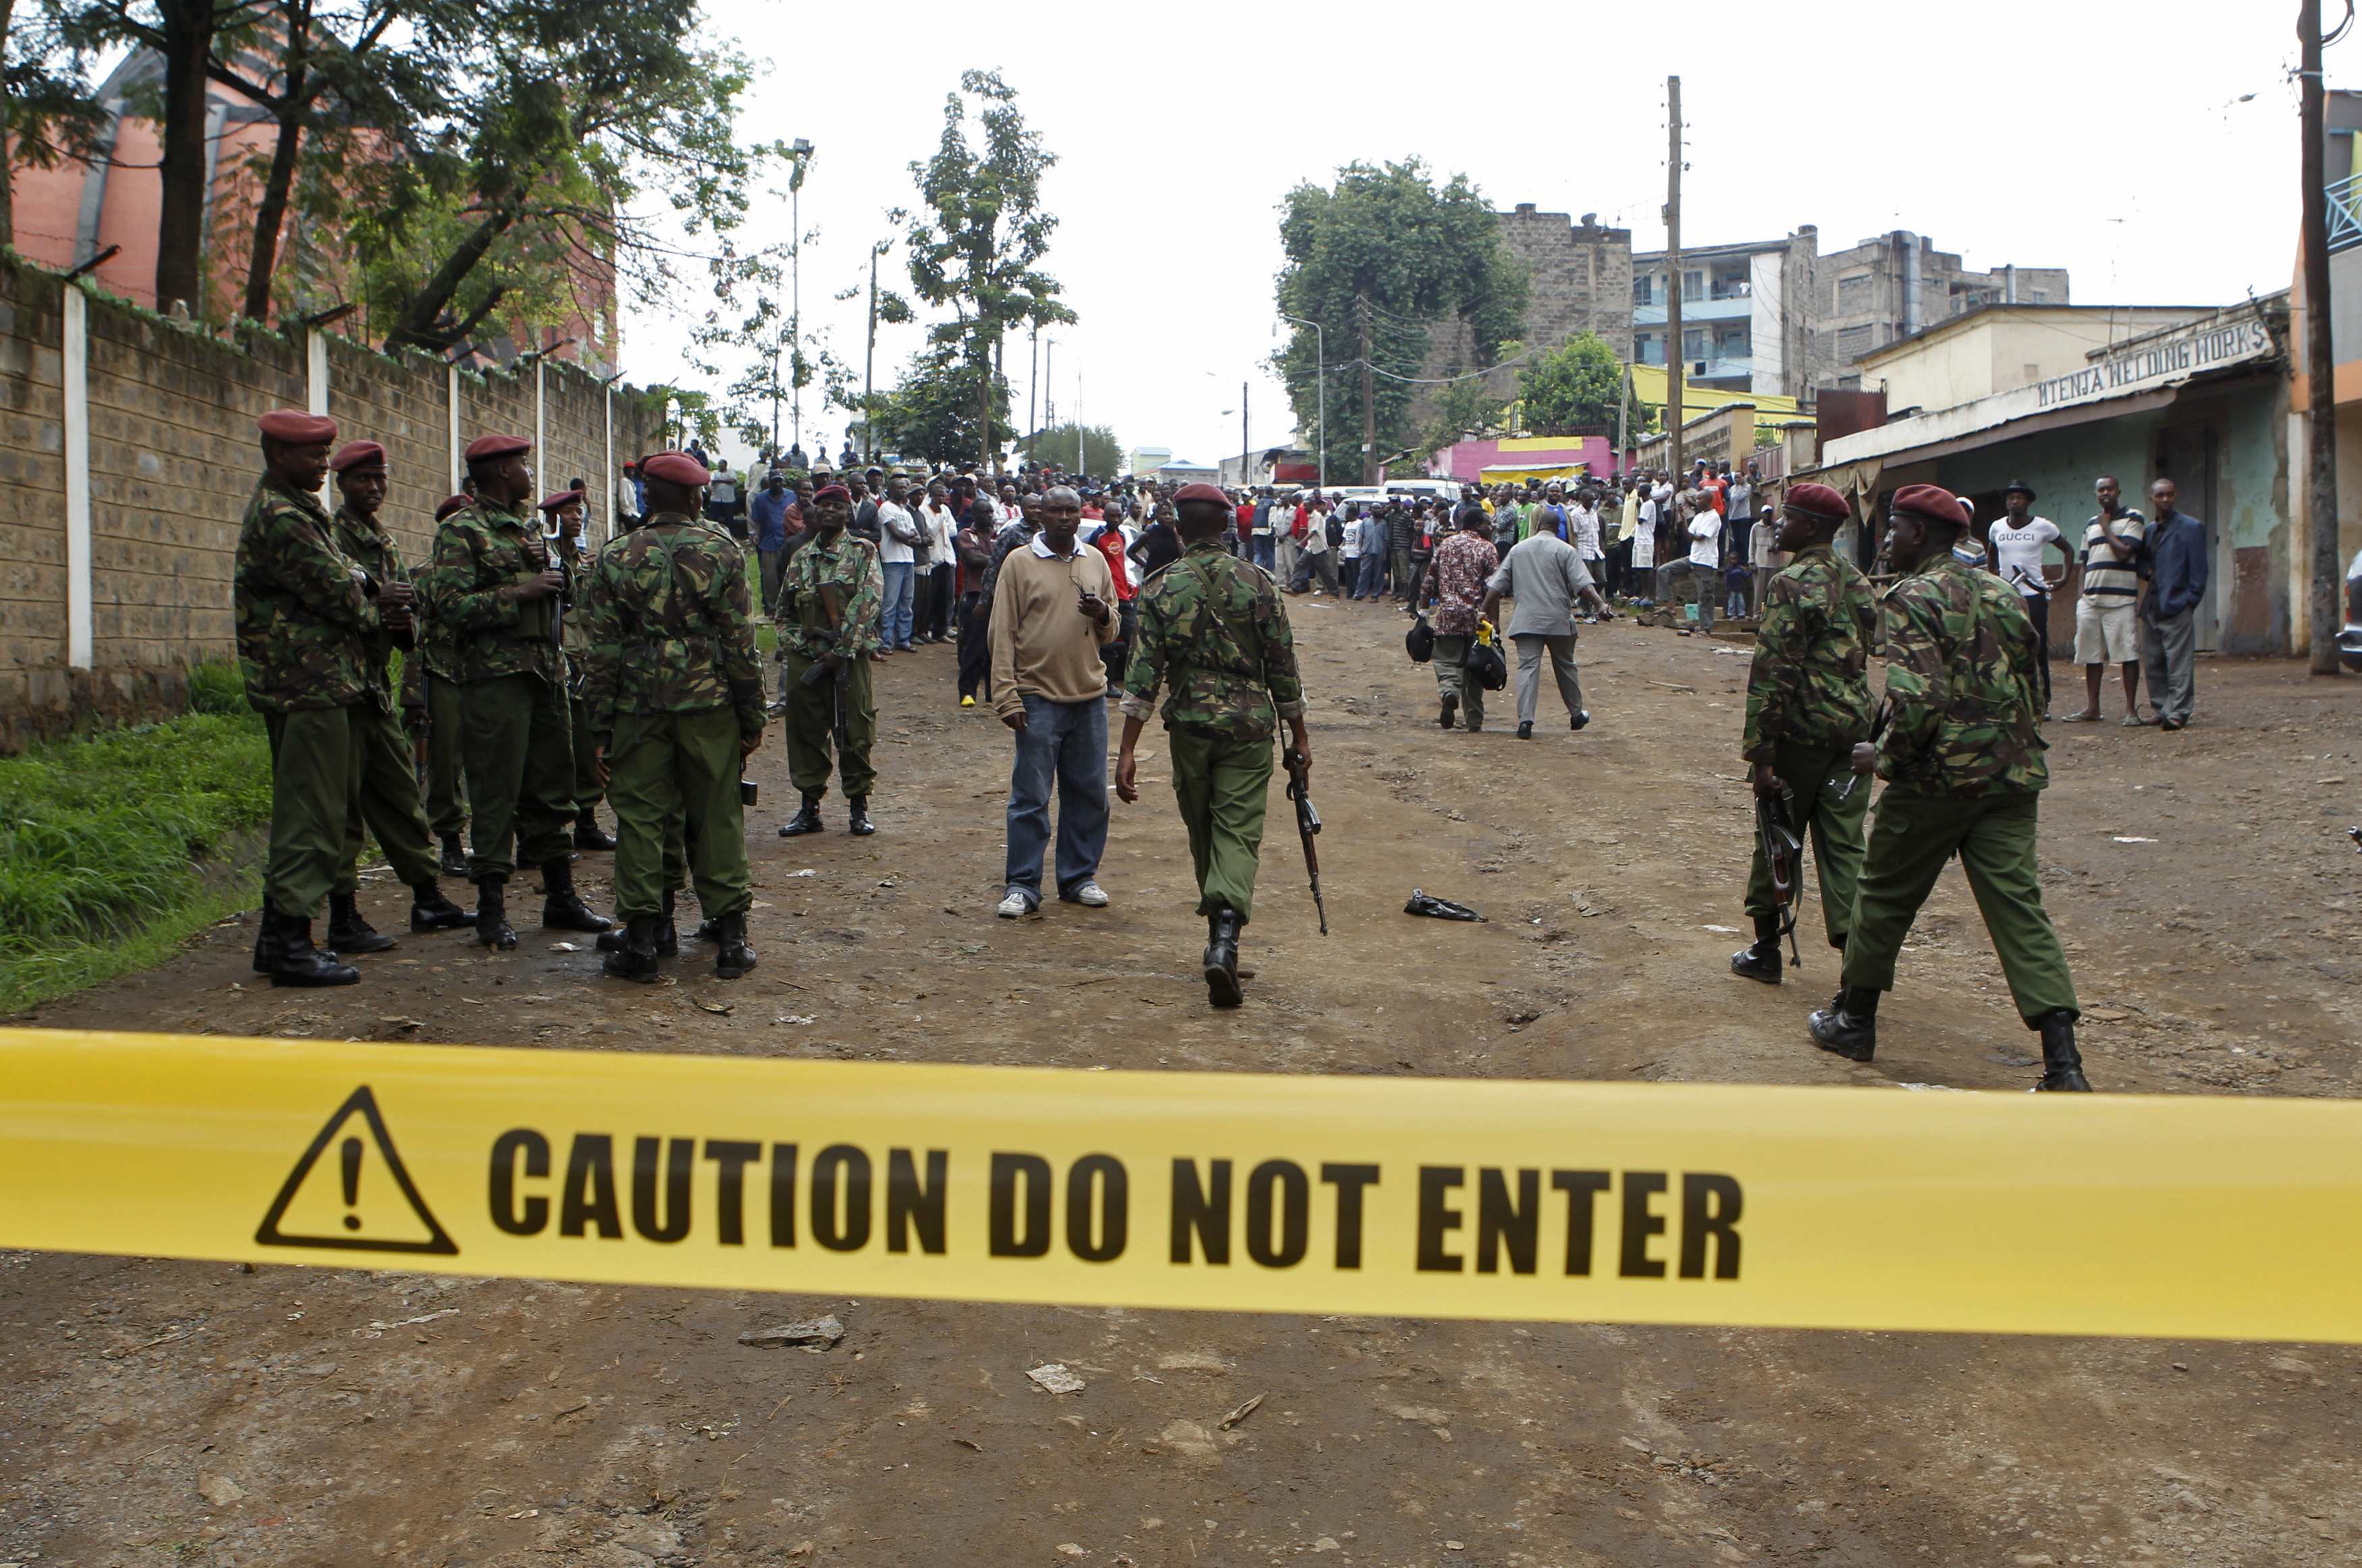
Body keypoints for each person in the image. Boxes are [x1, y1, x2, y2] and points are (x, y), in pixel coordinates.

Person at [1807, 484, 2087, 1092]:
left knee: (1881, 894)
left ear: (1917, 534)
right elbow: (2034, 684)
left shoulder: (1913, 596)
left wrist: (1879, 757)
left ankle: (1854, 1021)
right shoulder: (2001, 590)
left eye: (1892, 529)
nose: (1885, 540)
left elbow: (1918, 700)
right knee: (2018, 908)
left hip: (1937, 780)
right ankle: (2064, 1065)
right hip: (2011, 777)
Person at [1115, 482, 1309, 1007]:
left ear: (1178, 529)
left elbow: (1142, 679)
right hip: (1249, 730)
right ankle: (1226, 937)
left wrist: (1127, 750)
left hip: (1191, 728)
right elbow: (1283, 668)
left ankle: (1218, 936)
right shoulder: (1260, 583)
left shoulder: (1160, 587)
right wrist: (1300, 738)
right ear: (1226, 527)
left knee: (1203, 829)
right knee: (1238, 832)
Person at [419, 432, 611, 949]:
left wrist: (552, 572)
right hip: (495, 680)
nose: (529, 471)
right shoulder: (461, 532)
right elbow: (452, 607)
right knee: (496, 791)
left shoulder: (530, 530)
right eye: (522, 463)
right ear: (502, 471)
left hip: (545, 674)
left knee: (553, 787)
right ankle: (492, 906)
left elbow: (562, 595)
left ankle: (561, 897)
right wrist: (518, 591)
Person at [580, 449, 765, 982]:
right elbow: (739, 641)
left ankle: (643, 942)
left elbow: (603, 650)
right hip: (709, 707)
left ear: (648, 495)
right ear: (692, 496)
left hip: (638, 708)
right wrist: (751, 714)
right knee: (718, 815)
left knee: (640, 818)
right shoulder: (722, 552)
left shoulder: (616, 556)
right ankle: (731, 939)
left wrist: (598, 726)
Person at [234, 414, 406, 986]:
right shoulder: (283, 517)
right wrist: (375, 600)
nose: (323, 465)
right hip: (306, 683)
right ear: (277, 454)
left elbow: (349, 573)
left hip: (319, 680)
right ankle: (289, 943)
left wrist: (362, 585)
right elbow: (341, 594)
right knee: (311, 813)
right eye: (312, 456)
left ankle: (275, 940)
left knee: (315, 808)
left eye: (326, 453)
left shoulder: (297, 509)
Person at [1728, 482, 1877, 985]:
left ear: (1810, 527)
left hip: (1801, 735)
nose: (1779, 525)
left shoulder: (1790, 584)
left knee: (1776, 841)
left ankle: (1766, 949)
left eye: (1787, 518)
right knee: (1845, 848)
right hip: (1853, 736)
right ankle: (1858, 968)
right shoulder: (1858, 581)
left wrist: (1762, 758)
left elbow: (1772, 675)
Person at [989, 485, 1119, 917]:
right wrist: (1006, 696)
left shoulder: (1096, 560)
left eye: (1071, 510)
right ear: (1039, 516)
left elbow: (1112, 629)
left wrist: (1102, 613)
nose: (1065, 517)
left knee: (1089, 793)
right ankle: (1022, 885)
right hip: (1038, 696)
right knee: (1030, 797)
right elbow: (1002, 633)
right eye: (1055, 510)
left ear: (1081, 515)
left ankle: (1079, 877)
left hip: (1089, 697)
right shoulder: (1019, 563)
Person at [775, 484, 885, 835]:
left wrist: (841, 651)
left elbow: (868, 602)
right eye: (823, 506)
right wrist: (801, 645)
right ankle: (810, 808)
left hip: (848, 659)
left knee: (855, 731)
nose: (829, 512)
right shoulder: (800, 557)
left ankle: (858, 807)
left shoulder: (862, 551)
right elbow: (783, 613)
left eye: (837, 507)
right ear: (813, 513)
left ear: (848, 514)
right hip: (808, 658)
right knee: (805, 732)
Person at [1478, 504, 1610, 739]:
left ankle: (1525, 721)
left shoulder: (1519, 550)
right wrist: (1600, 605)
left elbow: (1496, 585)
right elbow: (1583, 585)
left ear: (1537, 525)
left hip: (1527, 620)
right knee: (1566, 665)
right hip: (1558, 619)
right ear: (1558, 528)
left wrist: (1483, 610)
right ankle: (1576, 714)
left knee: (1528, 667)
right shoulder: (1565, 550)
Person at [534, 488, 616, 851]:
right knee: (555, 749)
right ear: (553, 518)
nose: (576, 518)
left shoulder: (585, 565)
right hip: (552, 663)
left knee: (585, 744)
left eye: (579, 512)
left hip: (582, 666)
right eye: (568, 512)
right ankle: (547, 830)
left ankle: (586, 821)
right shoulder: (543, 560)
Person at [2059, 476, 2147, 724]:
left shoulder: (2133, 518)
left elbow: (2124, 552)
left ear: (2119, 491)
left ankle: (2131, 711)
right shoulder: (2090, 524)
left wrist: (2106, 526)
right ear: (2096, 494)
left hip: (2121, 600)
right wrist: (2081, 597)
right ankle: (2092, 708)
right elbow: (2085, 563)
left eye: (2110, 489)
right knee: (2091, 656)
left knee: (2127, 654)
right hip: (2090, 601)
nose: (2105, 493)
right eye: (2100, 490)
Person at [1421, 506, 1502, 733]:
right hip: (1478, 620)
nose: (1491, 527)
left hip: (1447, 617)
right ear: (1477, 525)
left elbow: (1429, 582)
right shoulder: (1487, 549)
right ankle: (1474, 721)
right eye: (1488, 523)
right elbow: (1493, 589)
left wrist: (1424, 613)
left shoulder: (1446, 545)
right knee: (1476, 668)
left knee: (1447, 662)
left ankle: (1449, 693)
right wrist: (1495, 622)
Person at [1985, 482, 2063, 713]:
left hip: (2034, 595)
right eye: (2011, 498)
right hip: (2005, 596)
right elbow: (1991, 554)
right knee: (2005, 647)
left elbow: (2067, 549)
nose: (2014, 502)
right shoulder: (1997, 527)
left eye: (2019, 498)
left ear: (2028, 501)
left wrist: (2064, 579)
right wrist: (1993, 580)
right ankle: (2012, 699)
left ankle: (2043, 702)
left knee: (2037, 648)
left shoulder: (2042, 527)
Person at [2139, 476, 2208, 731]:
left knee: (2178, 663)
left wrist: (2190, 601)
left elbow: (2200, 571)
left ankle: (2179, 711)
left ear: (2176, 496)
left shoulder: (2191, 527)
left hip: (2178, 605)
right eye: (2160, 496)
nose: (2165, 500)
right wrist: (2148, 573)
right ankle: (2161, 708)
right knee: (2154, 662)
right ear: (2152, 499)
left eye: (2169, 495)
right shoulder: (2149, 531)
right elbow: (2142, 562)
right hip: (2152, 606)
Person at [954, 501, 997, 708]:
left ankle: (992, 693)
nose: (989, 516)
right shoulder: (966, 535)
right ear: (975, 514)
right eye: (985, 512)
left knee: (995, 648)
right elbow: (973, 558)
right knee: (973, 646)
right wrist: (999, 559)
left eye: (991, 512)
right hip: (975, 595)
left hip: (997, 596)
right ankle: (967, 692)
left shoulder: (997, 534)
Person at [874, 478, 921, 653]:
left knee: (906, 602)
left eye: (905, 488)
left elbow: (917, 538)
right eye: (900, 488)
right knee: (890, 603)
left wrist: (907, 537)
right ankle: (886, 641)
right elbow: (895, 533)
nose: (903, 491)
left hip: (908, 559)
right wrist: (908, 537)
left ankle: (903, 639)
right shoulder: (886, 508)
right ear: (891, 490)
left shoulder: (906, 512)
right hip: (892, 560)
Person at [750, 470, 798, 618]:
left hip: (787, 541)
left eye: (780, 481)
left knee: (788, 576)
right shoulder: (761, 498)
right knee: (769, 578)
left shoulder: (791, 495)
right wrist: (756, 535)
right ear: (769, 482)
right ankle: (771, 608)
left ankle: (788, 607)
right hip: (768, 541)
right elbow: (756, 520)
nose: (778, 484)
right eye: (775, 481)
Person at [917, 482, 958, 644]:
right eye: (938, 495)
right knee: (930, 596)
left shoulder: (946, 509)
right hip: (932, 557)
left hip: (947, 556)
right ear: (931, 495)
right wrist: (941, 519)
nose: (941, 498)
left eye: (944, 495)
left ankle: (941, 631)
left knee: (946, 595)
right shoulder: (924, 510)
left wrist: (943, 521)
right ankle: (927, 628)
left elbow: (954, 530)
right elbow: (930, 532)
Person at [1747, 505, 1780, 615]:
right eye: (1766, 513)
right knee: (1759, 592)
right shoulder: (1756, 527)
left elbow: (1780, 543)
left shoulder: (1776, 528)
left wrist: (1776, 548)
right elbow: (1752, 546)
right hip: (1760, 563)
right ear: (1762, 514)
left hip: (1773, 564)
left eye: (1770, 513)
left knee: (1771, 591)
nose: (1768, 515)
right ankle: (1758, 613)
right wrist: (1751, 562)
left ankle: (1769, 614)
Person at [705, 458, 744, 540]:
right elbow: (711, 482)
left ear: (726, 466)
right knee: (715, 518)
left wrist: (719, 480)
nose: (720, 466)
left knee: (729, 519)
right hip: (716, 499)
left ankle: (730, 536)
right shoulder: (714, 473)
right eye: (719, 465)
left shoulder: (731, 472)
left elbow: (732, 480)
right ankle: (715, 535)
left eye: (722, 465)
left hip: (728, 500)